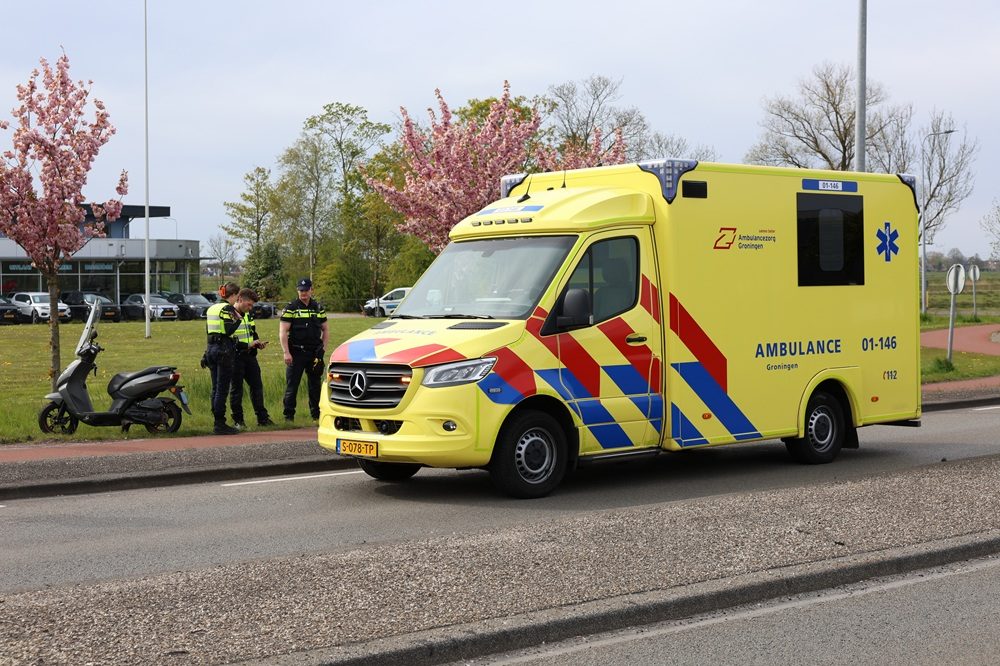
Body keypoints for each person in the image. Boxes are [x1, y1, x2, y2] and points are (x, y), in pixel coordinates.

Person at [279, 277, 329, 422]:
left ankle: (316, 416)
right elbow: (282, 331)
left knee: (315, 385)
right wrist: (286, 352)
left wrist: (323, 349)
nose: (303, 293)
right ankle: (288, 417)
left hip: (314, 352)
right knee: (292, 385)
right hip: (296, 352)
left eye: (306, 290)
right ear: (297, 291)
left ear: (311, 290)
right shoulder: (291, 308)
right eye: (301, 291)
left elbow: (325, 329)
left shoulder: (318, 308)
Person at [229, 287, 273, 428]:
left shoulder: (248, 315)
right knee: (237, 390)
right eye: (249, 304)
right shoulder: (229, 314)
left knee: (257, 387)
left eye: (252, 305)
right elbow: (229, 340)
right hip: (235, 356)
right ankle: (238, 421)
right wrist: (248, 344)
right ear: (240, 299)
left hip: (250, 356)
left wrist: (257, 342)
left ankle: (262, 419)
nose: (251, 307)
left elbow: (253, 332)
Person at [204, 282, 243, 435]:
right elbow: (228, 329)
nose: (237, 300)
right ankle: (220, 423)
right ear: (232, 295)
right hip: (223, 350)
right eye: (237, 297)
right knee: (222, 389)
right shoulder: (227, 308)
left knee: (215, 388)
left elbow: (208, 330)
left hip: (211, 349)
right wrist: (239, 320)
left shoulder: (212, 308)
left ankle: (216, 419)